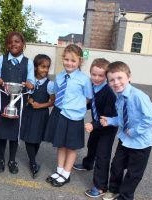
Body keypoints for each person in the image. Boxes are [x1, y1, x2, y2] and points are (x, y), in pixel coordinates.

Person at [100, 61, 152, 200]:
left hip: (140, 142)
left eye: (120, 78)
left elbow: (150, 118)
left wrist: (134, 131)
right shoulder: (119, 98)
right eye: (112, 80)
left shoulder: (138, 96)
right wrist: (110, 121)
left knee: (134, 173)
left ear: (129, 77)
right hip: (125, 140)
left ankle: (125, 196)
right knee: (116, 166)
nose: (116, 82)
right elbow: (121, 119)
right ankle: (113, 190)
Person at [44, 44, 93, 187]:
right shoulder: (59, 76)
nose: (69, 63)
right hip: (59, 113)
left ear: (79, 62)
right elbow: (57, 92)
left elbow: (88, 97)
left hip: (73, 117)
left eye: (73, 61)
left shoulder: (84, 80)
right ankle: (59, 170)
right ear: (62, 59)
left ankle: (66, 173)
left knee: (71, 146)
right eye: (66, 59)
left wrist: (77, 107)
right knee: (60, 144)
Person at [0, 31, 35, 174]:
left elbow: (32, 82)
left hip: (19, 102)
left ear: (23, 44)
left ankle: (12, 160)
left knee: (15, 133)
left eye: (17, 41)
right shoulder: (1, 60)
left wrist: (30, 85)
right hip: (4, 100)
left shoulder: (29, 62)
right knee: (2, 132)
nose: (13, 44)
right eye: (10, 42)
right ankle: (1, 159)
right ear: (6, 45)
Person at [72, 58, 118, 198]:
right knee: (91, 145)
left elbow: (109, 116)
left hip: (107, 127)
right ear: (90, 72)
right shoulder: (92, 87)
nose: (96, 78)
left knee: (102, 155)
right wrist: (77, 106)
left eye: (101, 75)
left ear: (107, 76)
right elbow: (91, 104)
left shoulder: (109, 93)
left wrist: (94, 124)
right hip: (96, 124)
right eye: (93, 74)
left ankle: (100, 187)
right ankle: (87, 164)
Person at [20, 54, 55, 178]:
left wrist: (40, 105)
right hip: (29, 113)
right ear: (35, 67)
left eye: (47, 67)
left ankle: (32, 160)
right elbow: (24, 93)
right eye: (42, 67)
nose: (45, 70)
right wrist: (29, 100)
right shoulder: (30, 80)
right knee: (30, 138)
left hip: (41, 114)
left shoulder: (50, 84)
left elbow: (52, 101)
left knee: (37, 139)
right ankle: (33, 163)